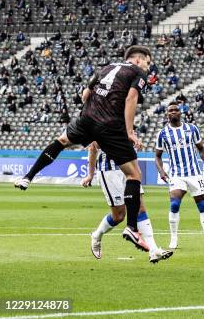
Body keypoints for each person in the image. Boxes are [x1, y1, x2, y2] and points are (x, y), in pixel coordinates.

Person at [15, 45, 152, 252]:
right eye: (148, 63)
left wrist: (88, 116)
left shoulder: (106, 67)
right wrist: (130, 131)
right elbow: (131, 98)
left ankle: (28, 176)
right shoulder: (137, 72)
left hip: (87, 119)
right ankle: (131, 228)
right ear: (138, 59)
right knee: (134, 175)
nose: (148, 67)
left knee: (60, 141)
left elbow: (85, 94)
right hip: (110, 125)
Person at [81, 142, 173, 263]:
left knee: (140, 209)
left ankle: (154, 250)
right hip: (110, 172)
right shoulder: (102, 125)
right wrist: (90, 175)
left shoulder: (128, 124)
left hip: (130, 169)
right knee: (119, 216)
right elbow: (93, 148)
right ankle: (96, 235)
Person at [155, 102, 204, 251]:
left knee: (202, 205)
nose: (173, 112)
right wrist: (161, 171)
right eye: (170, 110)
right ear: (167, 114)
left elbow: (201, 149)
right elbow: (157, 156)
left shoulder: (192, 129)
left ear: (181, 112)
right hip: (176, 175)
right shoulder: (162, 133)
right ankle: (174, 239)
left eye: (176, 110)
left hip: (195, 173)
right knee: (174, 204)